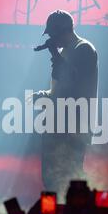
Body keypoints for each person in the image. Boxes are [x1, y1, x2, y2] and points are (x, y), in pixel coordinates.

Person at [29, 10, 98, 199]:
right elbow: (57, 91)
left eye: (53, 34)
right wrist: (42, 96)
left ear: (63, 31)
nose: (51, 38)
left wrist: (54, 54)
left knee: (68, 180)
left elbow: (73, 81)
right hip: (59, 124)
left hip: (73, 125)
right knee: (51, 178)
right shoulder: (65, 52)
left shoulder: (84, 49)